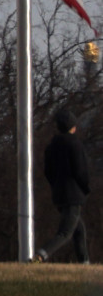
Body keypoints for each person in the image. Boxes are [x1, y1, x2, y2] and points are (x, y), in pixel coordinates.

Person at [40, 108, 91, 263]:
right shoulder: (75, 144)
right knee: (65, 233)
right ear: (72, 127)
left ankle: (85, 262)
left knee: (79, 230)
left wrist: (56, 185)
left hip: (59, 194)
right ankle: (41, 255)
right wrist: (85, 188)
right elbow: (80, 170)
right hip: (73, 195)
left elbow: (48, 171)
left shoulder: (52, 146)